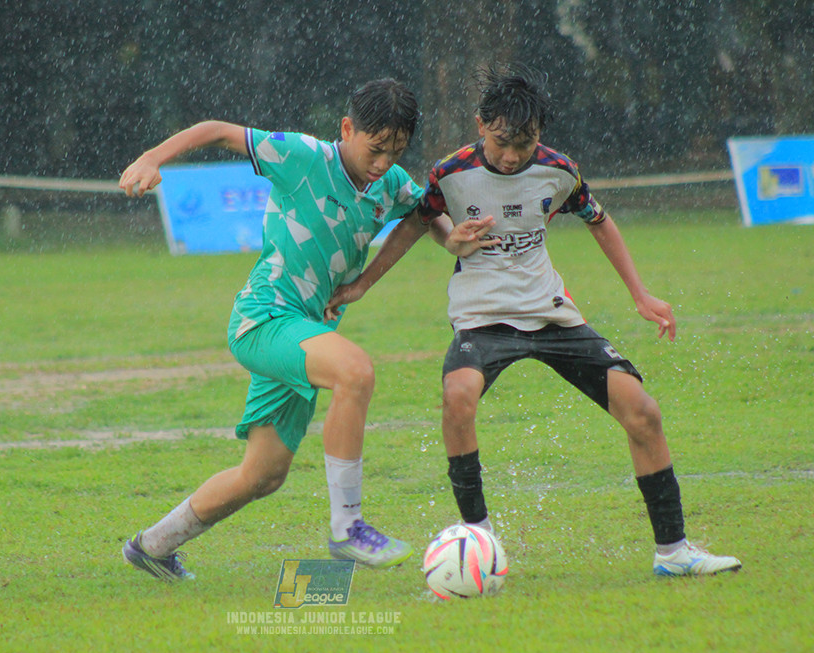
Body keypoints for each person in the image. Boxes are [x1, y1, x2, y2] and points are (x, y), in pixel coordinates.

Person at [328, 64, 741, 577]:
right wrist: (363, 284)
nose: (511, 154)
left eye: (523, 143)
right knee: (458, 399)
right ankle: (477, 540)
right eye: (502, 141)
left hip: (551, 314)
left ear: (538, 135)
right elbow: (415, 227)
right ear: (481, 126)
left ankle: (674, 552)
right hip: (481, 317)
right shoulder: (450, 173)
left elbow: (600, 221)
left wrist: (640, 294)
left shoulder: (559, 170)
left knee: (644, 412)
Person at [117, 79, 441, 581]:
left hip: (303, 333)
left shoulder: (391, 183)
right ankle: (348, 529)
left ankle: (152, 546)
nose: (382, 163)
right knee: (355, 371)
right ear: (347, 129)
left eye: (395, 151)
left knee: (262, 474)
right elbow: (218, 130)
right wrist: (151, 157)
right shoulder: (303, 156)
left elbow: (423, 217)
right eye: (375, 149)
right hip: (264, 318)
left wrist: (433, 250)